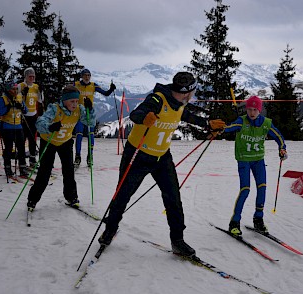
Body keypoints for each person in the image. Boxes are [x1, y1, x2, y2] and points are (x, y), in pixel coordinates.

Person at [98, 71, 226, 257]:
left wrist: (207, 124)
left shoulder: (180, 104)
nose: (191, 97)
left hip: (161, 157)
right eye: (189, 93)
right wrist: (144, 118)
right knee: (123, 195)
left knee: (173, 197)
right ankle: (110, 230)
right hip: (138, 155)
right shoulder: (158, 100)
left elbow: (186, 116)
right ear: (183, 92)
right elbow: (136, 113)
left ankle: (178, 240)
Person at [222, 96, 287, 235]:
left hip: (258, 160)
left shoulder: (266, 123)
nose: (252, 113)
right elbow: (230, 127)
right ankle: (234, 222)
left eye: (255, 110)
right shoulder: (242, 121)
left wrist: (282, 148)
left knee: (262, 188)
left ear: (259, 110)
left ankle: (258, 219)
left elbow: (279, 137)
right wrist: (221, 128)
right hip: (243, 159)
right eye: (249, 109)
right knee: (245, 189)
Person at [26, 85, 96, 211]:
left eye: (76, 101)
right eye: (72, 101)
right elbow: (40, 123)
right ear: (64, 100)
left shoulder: (79, 109)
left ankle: (71, 197)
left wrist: (89, 109)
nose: (75, 104)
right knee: (44, 173)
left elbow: (90, 123)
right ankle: (32, 199)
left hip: (65, 142)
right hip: (49, 141)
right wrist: (50, 126)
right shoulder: (55, 109)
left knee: (69, 171)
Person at [73, 68, 116, 168]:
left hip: (89, 113)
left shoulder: (93, 85)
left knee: (90, 135)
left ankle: (90, 156)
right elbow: (67, 93)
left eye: (89, 75)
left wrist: (111, 89)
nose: (87, 77)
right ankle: (77, 156)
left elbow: (105, 93)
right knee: (79, 134)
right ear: (82, 76)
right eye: (85, 75)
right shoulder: (76, 84)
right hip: (79, 113)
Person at [0, 81, 29, 177]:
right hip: (7, 127)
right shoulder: (3, 99)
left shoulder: (19, 97)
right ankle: (8, 168)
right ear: (8, 90)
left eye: (16, 89)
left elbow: (26, 110)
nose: (14, 91)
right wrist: (8, 107)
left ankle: (22, 168)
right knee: (9, 149)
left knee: (21, 148)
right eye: (12, 89)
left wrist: (21, 106)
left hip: (18, 126)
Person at [18, 67, 44, 168]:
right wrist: (22, 94)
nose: (32, 78)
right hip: (23, 116)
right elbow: (16, 98)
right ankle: (22, 161)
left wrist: (41, 91)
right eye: (30, 76)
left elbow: (40, 100)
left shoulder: (36, 86)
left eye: (33, 76)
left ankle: (32, 160)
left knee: (33, 139)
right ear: (26, 76)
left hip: (33, 115)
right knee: (22, 139)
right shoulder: (21, 85)